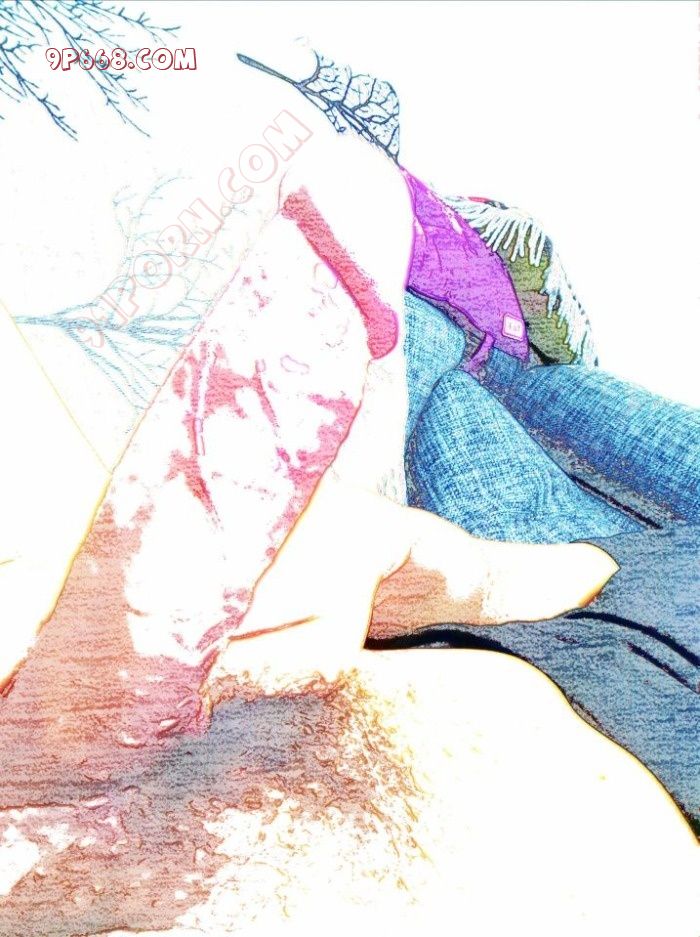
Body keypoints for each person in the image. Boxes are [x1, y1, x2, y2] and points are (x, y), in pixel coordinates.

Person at [0, 40, 697, 936]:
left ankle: (464, 305)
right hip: (588, 578)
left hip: (534, 731)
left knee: (463, 378)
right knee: (511, 388)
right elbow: (574, 572)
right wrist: (417, 559)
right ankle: (475, 298)